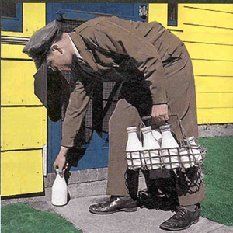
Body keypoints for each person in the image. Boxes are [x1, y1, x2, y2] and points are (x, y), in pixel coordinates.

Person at [24, 16, 205, 231]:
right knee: (120, 122)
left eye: (52, 66)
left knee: (177, 126)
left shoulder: (97, 31)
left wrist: (159, 101)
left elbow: (148, 55)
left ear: (57, 50)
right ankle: (124, 196)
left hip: (167, 61)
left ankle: (189, 204)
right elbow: (76, 106)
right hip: (137, 74)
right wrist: (64, 150)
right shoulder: (81, 63)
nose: (56, 70)